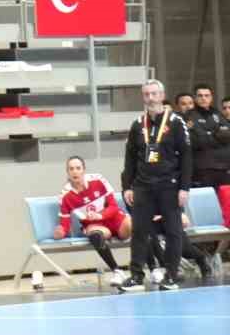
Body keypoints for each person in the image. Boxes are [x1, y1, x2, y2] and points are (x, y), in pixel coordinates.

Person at [120, 79, 192, 292]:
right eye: (146, 94)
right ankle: (136, 276)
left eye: (154, 94)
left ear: (162, 96)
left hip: (169, 185)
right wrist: (127, 187)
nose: (150, 98)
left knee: (173, 231)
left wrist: (184, 187)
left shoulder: (176, 122)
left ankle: (171, 275)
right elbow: (130, 158)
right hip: (143, 186)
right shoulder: (137, 124)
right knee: (139, 231)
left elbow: (187, 156)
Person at [55, 155, 132, 288]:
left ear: (84, 170)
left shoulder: (98, 180)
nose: (75, 172)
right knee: (95, 235)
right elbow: (65, 224)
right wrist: (60, 232)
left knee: (137, 224)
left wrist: (99, 215)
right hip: (95, 225)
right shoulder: (65, 196)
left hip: (114, 219)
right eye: (71, 169)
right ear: (67, 172)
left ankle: (153, 269)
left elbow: (113, 206)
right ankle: (117, 271)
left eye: (78, 168)